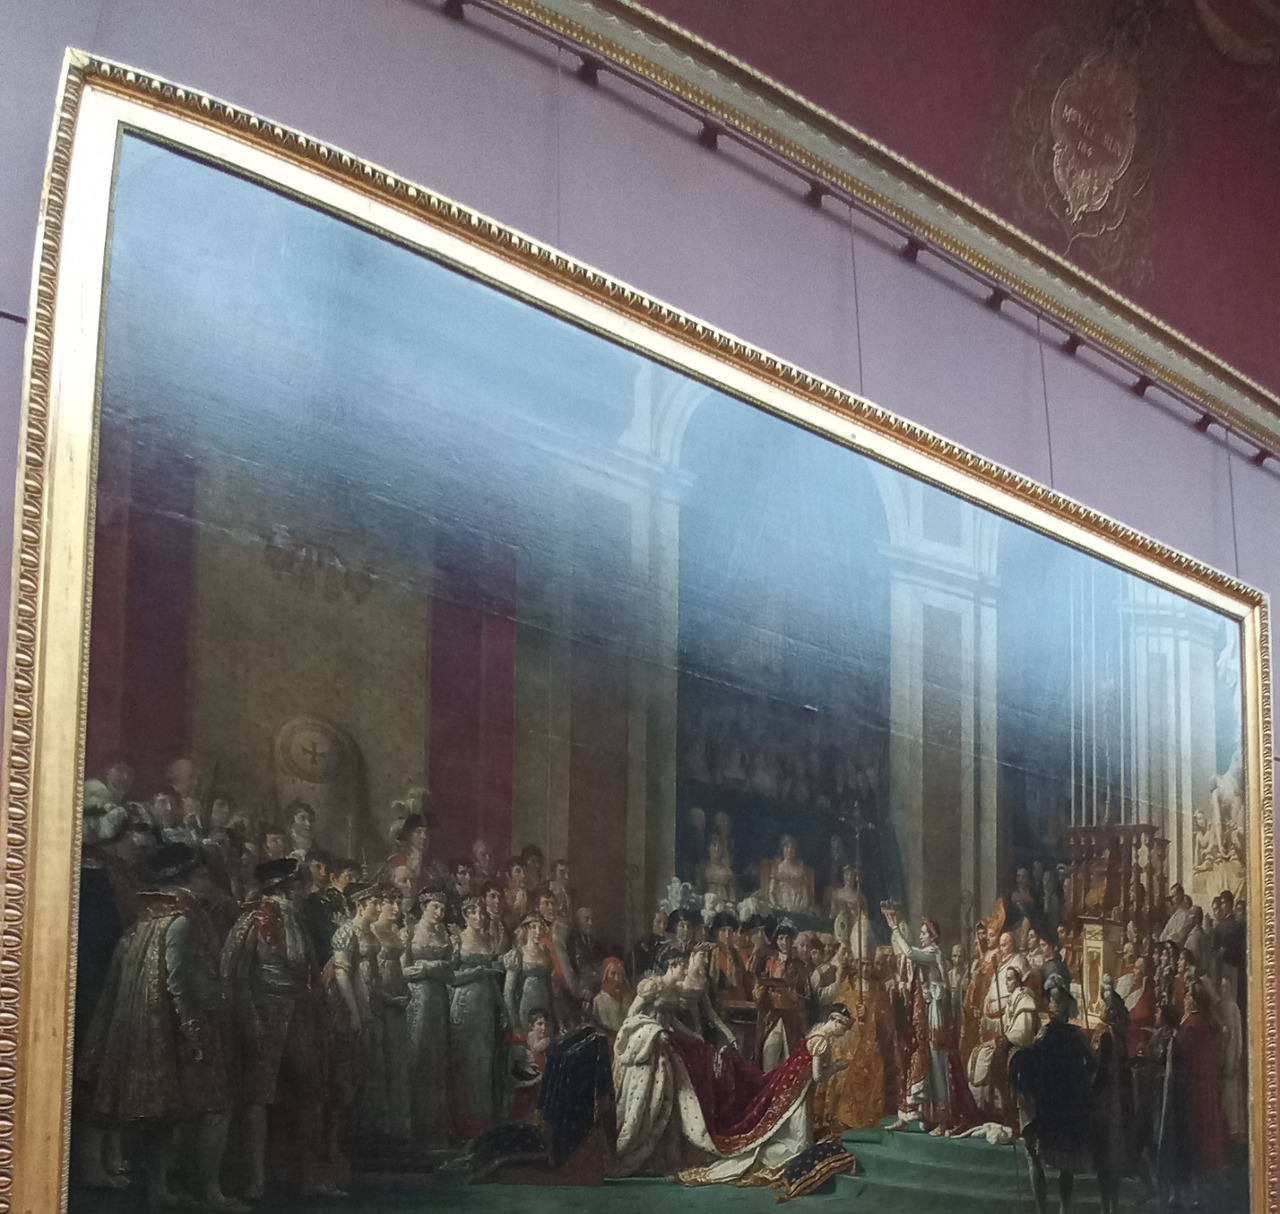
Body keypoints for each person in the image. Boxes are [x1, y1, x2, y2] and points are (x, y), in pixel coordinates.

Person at [82, 843, 245, 1212]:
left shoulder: (145, 922)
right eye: (201, 876)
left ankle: (160, 1190)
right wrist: (195, 1027)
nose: (207, 883)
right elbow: (179, 983)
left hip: (150, 1031)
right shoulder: (181, 922)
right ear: (183, 880)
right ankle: (209, 1192)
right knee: (214, 1106)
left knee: (166, 1118)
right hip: (175, 1030)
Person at [222, 857, 328, 1199]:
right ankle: (255, 1179)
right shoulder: (250, 922)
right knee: (257, 1096)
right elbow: (234, 977)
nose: (300, 892)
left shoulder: (296, 920)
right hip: (264, 1013)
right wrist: (248, 1018)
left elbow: (308, 971)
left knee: (308, 1092)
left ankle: (306, 1176)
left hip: (299, 1015)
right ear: (284, 888)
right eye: (296, 886)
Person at [1009, 984, 1097, 1214]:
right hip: (1049, 1102)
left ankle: (1061, 1210)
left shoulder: (1071, 1036)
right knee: (1039, 1156)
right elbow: (1032, 1063)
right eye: (1052, 1001)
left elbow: (1092, 1065)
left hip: (1062, 1105)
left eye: (1057, 1002)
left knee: (1061, 1162)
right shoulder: (1047, 1034)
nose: (1053, 1006)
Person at [884, 905, 970, 1134]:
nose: (921, 936)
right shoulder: (929, 954)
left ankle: (943, 1119)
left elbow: (909, 953)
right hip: (924, 1013)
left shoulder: (933, 954)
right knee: (921, 1061)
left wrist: (895, 929)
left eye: (923, 933)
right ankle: (916, 1115)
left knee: (937, 1064)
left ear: (933, 936)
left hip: (935, 1017)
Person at [449, 895, 509, 1138]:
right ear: (465, 915)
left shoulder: (486, 940)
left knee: (485, 1061)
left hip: (486, 1006)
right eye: (474, 913)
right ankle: (465, 1124)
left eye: (482, 913)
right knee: (466, 1062)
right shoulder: (457, 939)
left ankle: (485, 1122)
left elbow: (492, 979)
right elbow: (450, 977)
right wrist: (476, 972)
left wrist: (503, 1007)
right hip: (465, 1003)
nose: (480, 917)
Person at [404, 888, 454, 1147]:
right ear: (423, 906)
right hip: (417, 997)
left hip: (439, 999)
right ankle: (415, 1126)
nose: (439, 912)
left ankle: (435, 1125)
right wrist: (430, 969)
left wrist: (435, 968)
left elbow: (451, 970)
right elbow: (403, 971)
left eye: (442, 909)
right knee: (418, 1055)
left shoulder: (444, 933)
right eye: (435, 907)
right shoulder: (409, 931)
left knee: (437, 1058)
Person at [968, 966, 1038, 1124]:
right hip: (1011, 1044)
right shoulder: (1014, 1000)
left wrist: (1004, 1039)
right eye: (1006, 979)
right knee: (981, 1053)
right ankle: (990, 1107)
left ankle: (1007, 1109)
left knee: (995, 1059)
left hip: (1021, 1049)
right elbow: (1002, 1026)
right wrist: (983, 1020)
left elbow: (1024, 1034)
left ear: (1018, 981)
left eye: (1010, 979)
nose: (1007, 983)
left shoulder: (1025, 1002)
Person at [753, 920, 810, 1069]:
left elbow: (806, 996)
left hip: (791, 1019)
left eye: (787, 939)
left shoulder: (799, 966)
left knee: (789, 1061)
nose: (784, 942)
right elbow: (758, 990)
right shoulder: (768, 963)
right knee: (769, 1057)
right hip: (771, 1017)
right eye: (781, 938)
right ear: (776, 941)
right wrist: (758, 994)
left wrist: (795, 997)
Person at [767, 835, 815, 915]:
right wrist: (777, 907)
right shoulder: (777, 868)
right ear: (783, 849)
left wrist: (802, 907)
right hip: (782, 906)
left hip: (799, 907)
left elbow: (805, 892)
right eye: (787, 847)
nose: (789, 850)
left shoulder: (800, 870)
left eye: (792, 847)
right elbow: (771, 892)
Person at [592, 956, 633, 1039]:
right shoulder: (599, 1000)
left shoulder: (628, 997)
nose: (617, 979)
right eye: (613, 974)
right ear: (605, 976)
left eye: (620, 975)